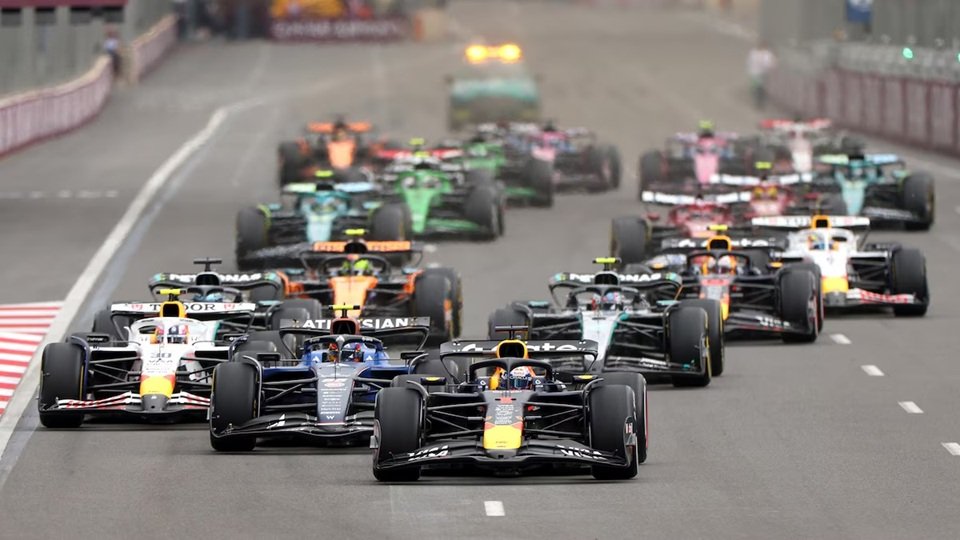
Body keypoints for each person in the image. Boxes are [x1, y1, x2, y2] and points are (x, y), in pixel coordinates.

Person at [747, 42, 776, 110]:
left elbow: (771, 64)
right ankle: (759, 102)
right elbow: (769, 64)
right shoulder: (759, 54)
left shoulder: (757, 53)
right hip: (758, 74)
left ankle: (759, 102)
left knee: (759, 88)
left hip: (758, 74)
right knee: (758, 88)